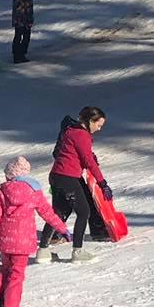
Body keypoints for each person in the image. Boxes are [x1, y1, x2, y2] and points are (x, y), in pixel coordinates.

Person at [0, 157, 68, 307]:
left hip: (5, 241)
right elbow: (47, 213)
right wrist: (62, 229)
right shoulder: (33, 192)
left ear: (10, 176)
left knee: (6, 268)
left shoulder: (1, 193)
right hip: (22, 242)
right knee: (17, 274)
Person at [38, 106, 107, 264]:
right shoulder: (82, 135)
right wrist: (102, 182)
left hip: (57, 176)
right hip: (67, 177)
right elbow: (88, 160)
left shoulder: (70, 131)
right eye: (98, 125)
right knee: (83, 212)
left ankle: (43, 251)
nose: (99, 128)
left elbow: (78, 155)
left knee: (58, 213)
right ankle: (78, 251)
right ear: (90, 121)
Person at [11, 0, 35, 64]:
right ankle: (19, 55)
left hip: (18, 19)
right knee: (24, 37)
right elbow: (26, 8)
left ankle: (17, 54)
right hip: (23, 20)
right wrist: (28, 20)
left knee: (19, 36)